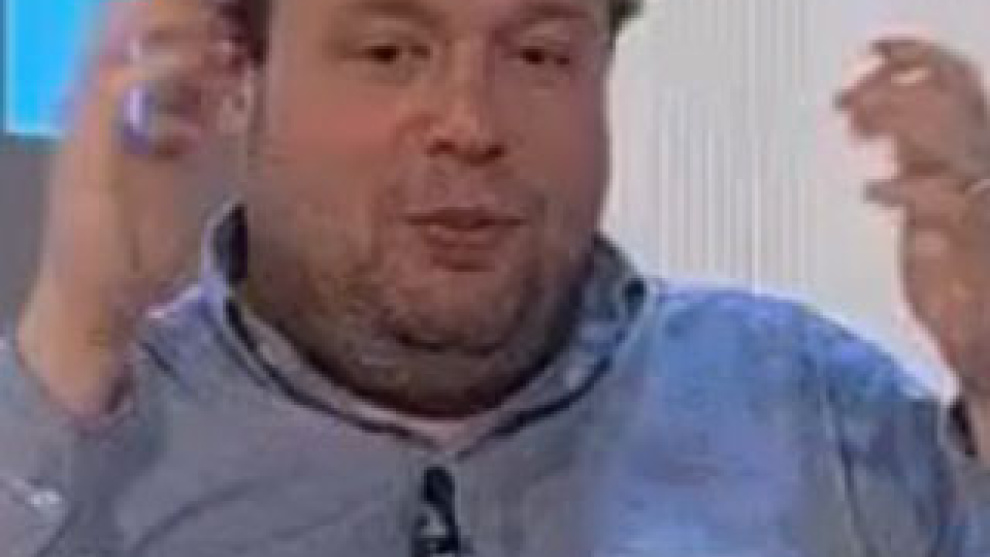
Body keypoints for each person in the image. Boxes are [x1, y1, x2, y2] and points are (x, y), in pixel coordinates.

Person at [2, 0, 989, 554]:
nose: (471, 123)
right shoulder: (79, 447)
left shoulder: (815, 419)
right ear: (239, 83)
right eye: (391, 52)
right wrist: (72, 335)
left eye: (540, 54)